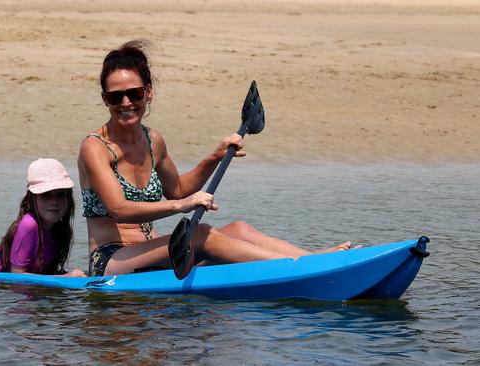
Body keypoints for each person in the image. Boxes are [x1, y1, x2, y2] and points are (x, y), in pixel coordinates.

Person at [78, 40, 354, 277]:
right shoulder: (95, 147)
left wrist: (216, 155)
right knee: (200, 234)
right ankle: (301, 269)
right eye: (116, 97)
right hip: (112, 260)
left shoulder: (153, 140)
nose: (126, 103)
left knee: (239, 229)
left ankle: (315, 260)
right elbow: (119, 209)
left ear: (148, 92)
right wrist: (182, 206)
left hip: (154, 252)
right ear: (105, 100)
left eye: (134, 93)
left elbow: (179, 189)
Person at [0, 158, 86, 277]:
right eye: (45, 195)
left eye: (60, 194)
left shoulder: (60, 229)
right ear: (32, 200)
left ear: (68, 198)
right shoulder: (29, 225)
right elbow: (18, 277)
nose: (54, 202)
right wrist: (65, 277)